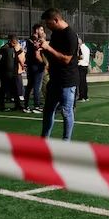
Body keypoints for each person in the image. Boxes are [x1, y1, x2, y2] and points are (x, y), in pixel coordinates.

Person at [39, 8, 79, 141]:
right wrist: (42, 49)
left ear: (56, 20)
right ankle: (44, 139)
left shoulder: (70, 35)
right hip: (54, 79)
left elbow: (66, 59)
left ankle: (66, 141)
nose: (48, 27)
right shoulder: (55, 33)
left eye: (49, 24)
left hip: (67, 80)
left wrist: (48, 48)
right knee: (48, 110)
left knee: (67, 112)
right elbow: (53, 55)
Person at [0, 35, 25, 111]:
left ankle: (17, 105)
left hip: (12, 73)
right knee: (4, 89)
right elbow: (1, 59)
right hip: (6, 73)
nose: (15, 44)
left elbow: (14, 58)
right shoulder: (5, 49)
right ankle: (2, 106)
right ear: (11, 41)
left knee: (15, 89)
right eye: (14, 43)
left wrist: (19, 52)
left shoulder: (12, 49)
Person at [23, 24, 46, 113]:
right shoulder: (34, 39)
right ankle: (37, 105)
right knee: (37, 86)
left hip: (31, 65)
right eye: (41, 29)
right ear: (36, 30)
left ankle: (26, 105)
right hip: (37, 65)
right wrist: (44, 63)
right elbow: (37, 52)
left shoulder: (29, 40)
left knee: (30, 86)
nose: (43, 31)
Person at [77, 36, 91, 101]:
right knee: (84, 82)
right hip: (86, 66)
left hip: (81, 65)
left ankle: (81, 96)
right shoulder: (87, 48)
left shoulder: (80, 48)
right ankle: (86, 96)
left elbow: (81, 57)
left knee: (81, 82)